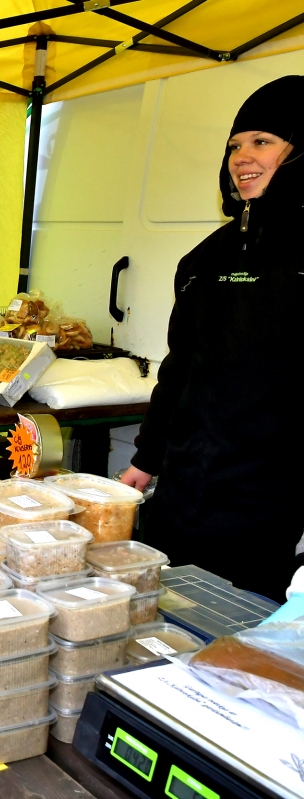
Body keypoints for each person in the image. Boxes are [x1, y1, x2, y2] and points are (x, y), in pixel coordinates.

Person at [121, 75, 304, 600]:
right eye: (234, 146)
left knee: (235, 628)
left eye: (262, 141)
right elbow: (179, 369)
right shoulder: (204, 260)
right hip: (182, 488)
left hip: (268, 503)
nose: (242, 158)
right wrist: (146, 460)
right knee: (157, 613)